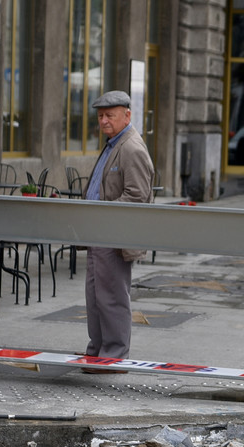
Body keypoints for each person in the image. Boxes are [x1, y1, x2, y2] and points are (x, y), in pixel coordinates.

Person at [81, 90, 155, 372]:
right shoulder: (114, 143)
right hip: (99, 232)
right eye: (100, 116)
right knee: (96, 297)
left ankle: (113, 356)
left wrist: (101, 213)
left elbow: (137, 197)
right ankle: (98, 351)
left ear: (127, 115)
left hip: (113, 234)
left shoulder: (131, 147)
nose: (103, 121)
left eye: (109, 115)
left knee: (111, 298)